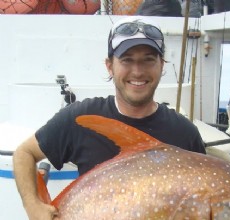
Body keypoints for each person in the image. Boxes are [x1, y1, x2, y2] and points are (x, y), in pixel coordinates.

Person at [13, 16, 206, 220]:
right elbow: (24, 153)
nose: (138, 71)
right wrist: (32, 205)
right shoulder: (80, 118)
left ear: (162, 65)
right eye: (126, 60)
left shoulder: (185, 134)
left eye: (148, 59)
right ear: (109, 66)